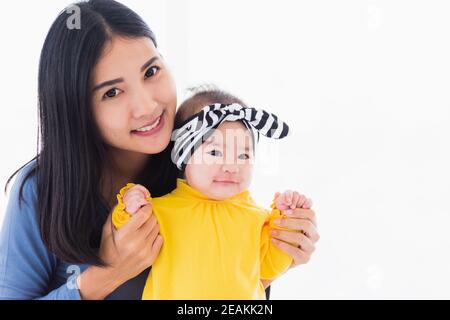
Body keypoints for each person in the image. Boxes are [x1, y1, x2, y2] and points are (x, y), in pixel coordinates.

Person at [0, 0, 319, 300]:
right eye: (112, 92)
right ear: (76, 110)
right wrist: (106, 275)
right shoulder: (41, 191)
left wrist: (278, 256)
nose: (147, 106)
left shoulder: (197, 163)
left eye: (151, 72)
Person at [112, 88, 313, 299]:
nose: (231, 166)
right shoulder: (162, 210)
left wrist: (286, 221)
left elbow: (271, 267)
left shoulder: (257, 217)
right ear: (184, 155)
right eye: (215, 152)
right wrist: (129, 207)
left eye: (244, 155)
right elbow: (126, 236)